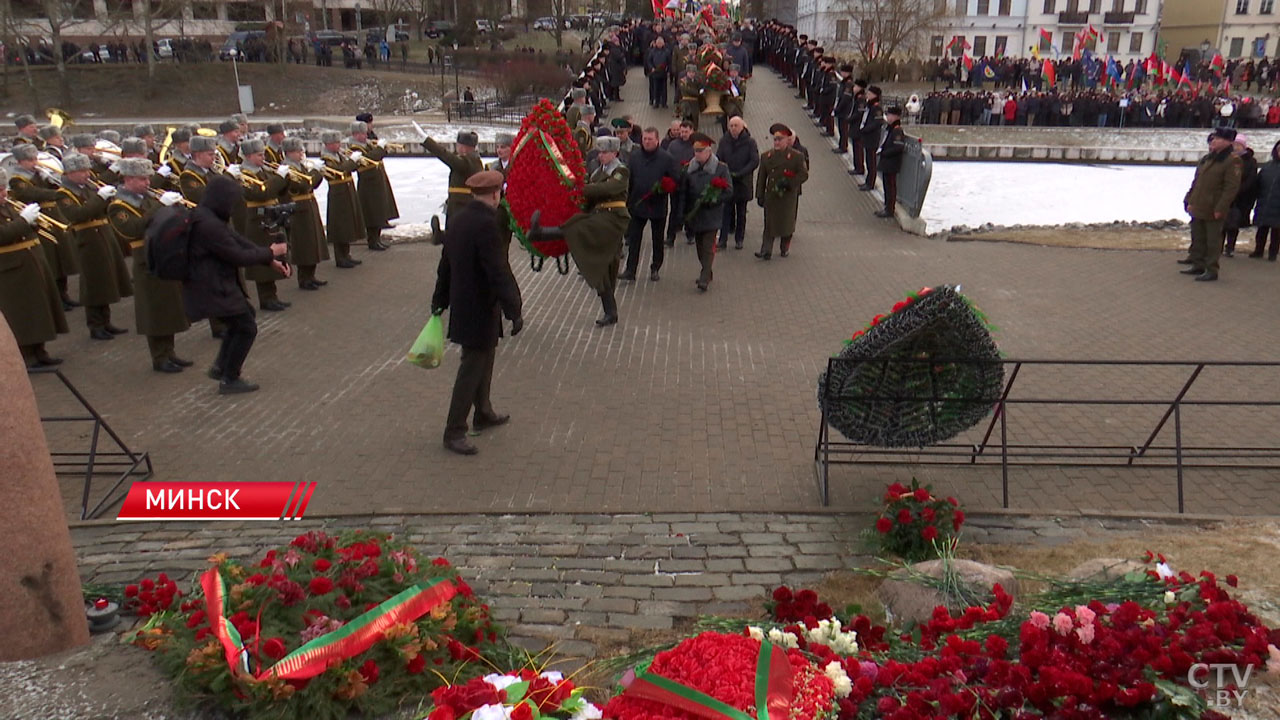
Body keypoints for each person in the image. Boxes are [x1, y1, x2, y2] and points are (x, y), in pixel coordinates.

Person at [430, 170, 523, 456]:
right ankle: (454, 430)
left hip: (465, 304)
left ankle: (483, 411)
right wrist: (514, 308)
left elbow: (445, 264)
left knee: (484, 358)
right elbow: (497, 270)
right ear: (496, 194)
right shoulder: (486, 225)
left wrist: (440, 299)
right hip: (479, 306)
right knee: (471, 366)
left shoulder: (459, 220)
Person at [185, 176, 291, 394]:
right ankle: (230, 378)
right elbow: (237, 255)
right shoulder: (208, 225)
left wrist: (269, 260)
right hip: (211, 285)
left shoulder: (208, 216)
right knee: (246, 327)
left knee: (242, 319)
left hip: (217, 282)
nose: (233, 207)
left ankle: (221, 367)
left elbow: (237, 240)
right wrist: (271, 252)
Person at [527, 136, 629, 327]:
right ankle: (611, 312)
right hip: (599, 217)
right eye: (599, 152)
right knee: (603, 268)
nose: (601, 156)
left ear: (614, 153)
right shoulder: (598, 171)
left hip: (614, 218)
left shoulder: (620, 171)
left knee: (578, 228)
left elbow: (610, 188)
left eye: (605, 152)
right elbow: (590, 198)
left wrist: (584, 189)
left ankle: (541, 233)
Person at [106, 158, 192, 372]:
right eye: (142, 179)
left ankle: (170, 352)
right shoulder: (118, 206)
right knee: (154, 310)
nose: (148, 182)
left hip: (163, 254)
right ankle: (159, 357)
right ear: (128, 179)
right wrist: (160, 206)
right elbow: (132, 229)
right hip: (145, 259)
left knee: (169, 307)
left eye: (147, 178)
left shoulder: (147, 198)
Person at [56, 152, 133, 340]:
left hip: (102, 235)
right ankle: (95, 324)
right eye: (81, 171)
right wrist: (100, 198)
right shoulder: (64, 194)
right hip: (86, 239)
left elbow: (102, 209)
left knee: (106, 280)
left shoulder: (88, 187)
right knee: (93, 283)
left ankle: (105, 321)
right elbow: (77, 214)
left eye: (87, 170)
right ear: (69, 173)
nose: (87, 174)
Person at [0, 169, 67, 368]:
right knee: (22, 313)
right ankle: (26, 356)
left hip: (30, 263)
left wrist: (33, 221)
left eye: (3, 188)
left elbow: (26, 229)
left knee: (38, 309)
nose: (4, 193)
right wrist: (23, 221)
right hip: (11, 269)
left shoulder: (8, 205)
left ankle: (40, 350)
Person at [235, 138, 292, 311]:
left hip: (269, 215)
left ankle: (272, 295)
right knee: (263, 258)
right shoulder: (243, 174)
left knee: (273, 256)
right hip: (256, 218)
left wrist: (285, 178)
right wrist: (278, 178)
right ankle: (265, 298)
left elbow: (278, 190)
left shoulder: (263, 170)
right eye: (259, 155)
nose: (263, 157)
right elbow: (261, 193)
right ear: (249, 156)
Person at [1180, 127, 1243, 282]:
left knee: (1212, 240)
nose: (1213, 141)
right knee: (1199, 236)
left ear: (1228, 142)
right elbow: (1198, 183)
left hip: (1213, 207)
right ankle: (1198, 264)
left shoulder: (1232, 160)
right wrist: (1190, 200)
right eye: (1213, 138)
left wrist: (1221, 208)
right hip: (1199, 204)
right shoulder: (1210, 158)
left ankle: (1211, 269)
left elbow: (1230, 188)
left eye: (1218, 138)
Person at [621, 126, 679, 282]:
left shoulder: (667, 158)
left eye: (650, 139)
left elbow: (675, 180)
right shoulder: (634, 157)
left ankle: (655, 267)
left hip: (657, 205)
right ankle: (630, 270)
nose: (646, 142)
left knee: (657, 239)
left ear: (657, 140)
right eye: (644, 139)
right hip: (637, 205)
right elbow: (629, 179)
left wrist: (665, 188)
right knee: (634, 239)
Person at [682, 133, 732, 292]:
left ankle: (704, 277)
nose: (697, 154)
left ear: (709, 151)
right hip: (695, 214)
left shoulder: (721, 168)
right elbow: (684, 191)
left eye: (701, 151)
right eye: (695, 151)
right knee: (699, 247)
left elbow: (729, 191)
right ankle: (707, 271)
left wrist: (714, 199)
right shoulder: (690, 168)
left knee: (708, 246)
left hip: (712, 213)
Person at [279, 137, 330, 289]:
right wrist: (315, 172)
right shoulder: (287, 169)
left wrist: (318, 173)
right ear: (289, 152)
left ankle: (311, 275)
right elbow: (303, 185)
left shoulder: (299, 166)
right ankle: (304, 278)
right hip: (298, 207)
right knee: (303, 243)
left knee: (312, 240)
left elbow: (312, 186)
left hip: (308, 204)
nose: (302, 153)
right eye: (298, 151)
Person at [754, 124, 808, 260]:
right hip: (771, 195)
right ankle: (766, 250)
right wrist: (759, 195)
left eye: (780, 139)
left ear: (787, 140)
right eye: (775, 139)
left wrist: (789, 183)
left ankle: (784, 247)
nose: (777, 142)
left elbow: (803, 175)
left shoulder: (796, 157)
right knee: (769, 224)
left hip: (787, 197)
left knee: (786, 224)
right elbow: (761, 178)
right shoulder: (766, 156)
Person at [422, 130, 484, 242]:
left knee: (459, 238)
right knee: (454, 237)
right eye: (458, 145)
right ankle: (441, 238)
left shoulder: (470, 162)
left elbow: (446, 156)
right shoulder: (467, 160)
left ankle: (441, 238)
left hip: (463, 206)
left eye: (461, 146)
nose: (459, 149)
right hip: (455, 205)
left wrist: (427, 142)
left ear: (468, 148)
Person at [348, 120, 399, 251]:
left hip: (376, 181)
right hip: (367, 183)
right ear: (355, 134)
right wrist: (380, 149)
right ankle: (372, 240)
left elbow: (378, 155)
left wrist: (384, 149)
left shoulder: (367, 144)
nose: (365, 136)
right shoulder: (355, 147)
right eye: (362, 133)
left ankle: (377, 238)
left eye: (365, 133)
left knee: (379, 211)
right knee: (371, 213)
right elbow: (370, 159)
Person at [320, 130, 365, 268]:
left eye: (339, 142)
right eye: (335, 143)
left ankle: (346, 254)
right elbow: (339, 171)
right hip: (337, 194)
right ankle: (340, 257)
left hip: (347, 192)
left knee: (347, 224)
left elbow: (350, 168)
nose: (338, 145)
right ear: (328, 144)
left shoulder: (339, 155)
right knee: (340, 225)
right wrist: (352, 161)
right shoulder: (327, 159)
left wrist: (356, 161)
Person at [716, 115, 759, 250]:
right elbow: (719, 157)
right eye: (731, 126)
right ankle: (722, 240)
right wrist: (724, 173)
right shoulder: (724, 140)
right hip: (728, 182)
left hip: (743, 182)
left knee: (741, 212)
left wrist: (741, 172)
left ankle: (739, 239)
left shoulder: (750, 142)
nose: (733, 128)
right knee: (725, 212)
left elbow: (754, 161)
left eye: (736, 126)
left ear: (742, 127)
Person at [1223, 134, 1258, 257]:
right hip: (1226, 196)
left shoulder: (1250, 161)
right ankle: (1219, 246)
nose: (1236, 147)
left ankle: (1230, 247)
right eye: (1234, 145)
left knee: (1234, 224)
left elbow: (1251, 179)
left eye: (1238, 145)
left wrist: (1237, 190)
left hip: (1240, 198)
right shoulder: (1228, 158)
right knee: (1222, 223)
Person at [1249, 139, 1280, 260]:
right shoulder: (1268, 166)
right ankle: (1258, 250)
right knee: (1262, 228)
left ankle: (1273, 253)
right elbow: (1258, 182)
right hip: (1264, 201)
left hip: (1278, 205)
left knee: (1276, 231)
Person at [876, 106, 907, 219]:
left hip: (892, 162)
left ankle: (890, 209)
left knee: (890, 185)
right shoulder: (891, 129)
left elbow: (898, 147)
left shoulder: (897, 130)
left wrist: (884, 152)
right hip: (888, 162)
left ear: (895, 117)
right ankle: (887, 206)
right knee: (886, 184)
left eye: (889, 115)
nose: (887, 117)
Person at [856, 85, 884, 191]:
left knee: (871, 162)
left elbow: (877, 122)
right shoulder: (870, 106)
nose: (867, 95)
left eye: (870, 93)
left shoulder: (876, 107)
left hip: (872, 138)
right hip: (867, 137)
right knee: (868, 160)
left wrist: (865, 129)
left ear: (875, 95)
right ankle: (868, 181)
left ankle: (871, 183)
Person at [645, 35, 672, 108]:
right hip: (655, 73)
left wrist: (668, 69)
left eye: (661, 43)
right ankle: (656, 102)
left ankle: (664, 103)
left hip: (663, 73)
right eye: (658, 43)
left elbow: (669, 62)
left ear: (663, 43)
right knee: (656, 88)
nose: (659, 44)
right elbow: (649, 61)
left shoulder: (667, 51)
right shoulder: (652, 51)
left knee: (664, 89)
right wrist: (651, 68)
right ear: (656, 43)